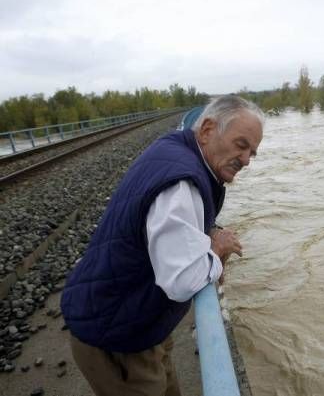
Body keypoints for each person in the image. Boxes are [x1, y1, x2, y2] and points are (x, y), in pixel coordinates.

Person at [60, 95, 264, 396]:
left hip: (136, 322)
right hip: (118, 339)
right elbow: (182, 281)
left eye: (253, 153)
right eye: (241, 145)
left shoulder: (176, 150)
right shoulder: (180, 185)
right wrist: (217, 250)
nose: (246, 160)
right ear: (207, 130)